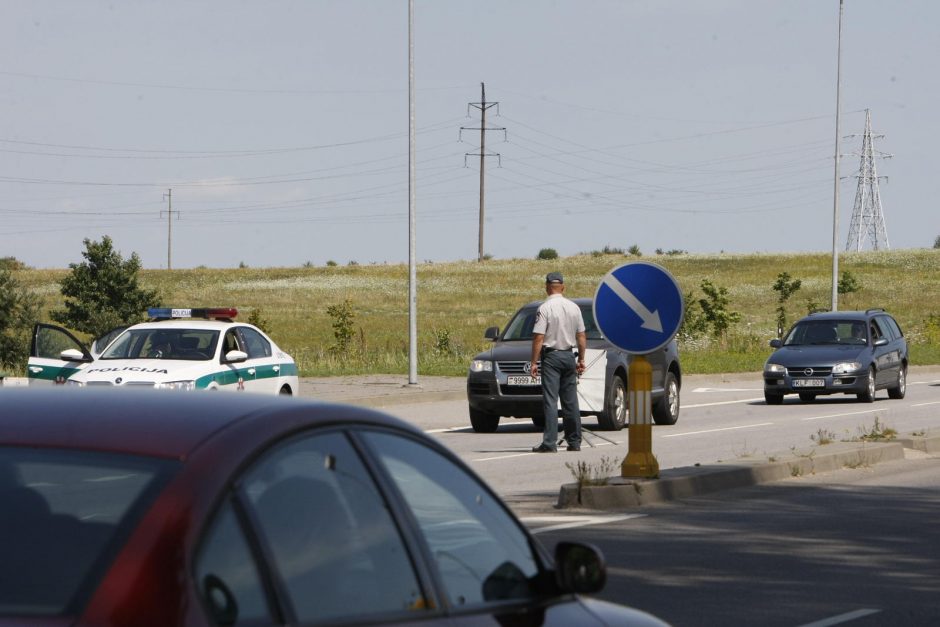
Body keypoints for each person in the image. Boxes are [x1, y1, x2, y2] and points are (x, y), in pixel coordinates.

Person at [530, 272, 587, 453]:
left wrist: (533, 362)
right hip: (569, 356)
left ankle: (550, 443)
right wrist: (582, 359)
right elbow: (581, 336)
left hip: (552, 357)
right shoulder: (574, 308)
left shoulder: (544, 308)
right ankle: (575, 441)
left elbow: (539, 338)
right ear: (563, 287)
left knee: (551, 401)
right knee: (571, 401)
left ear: (547, 287)